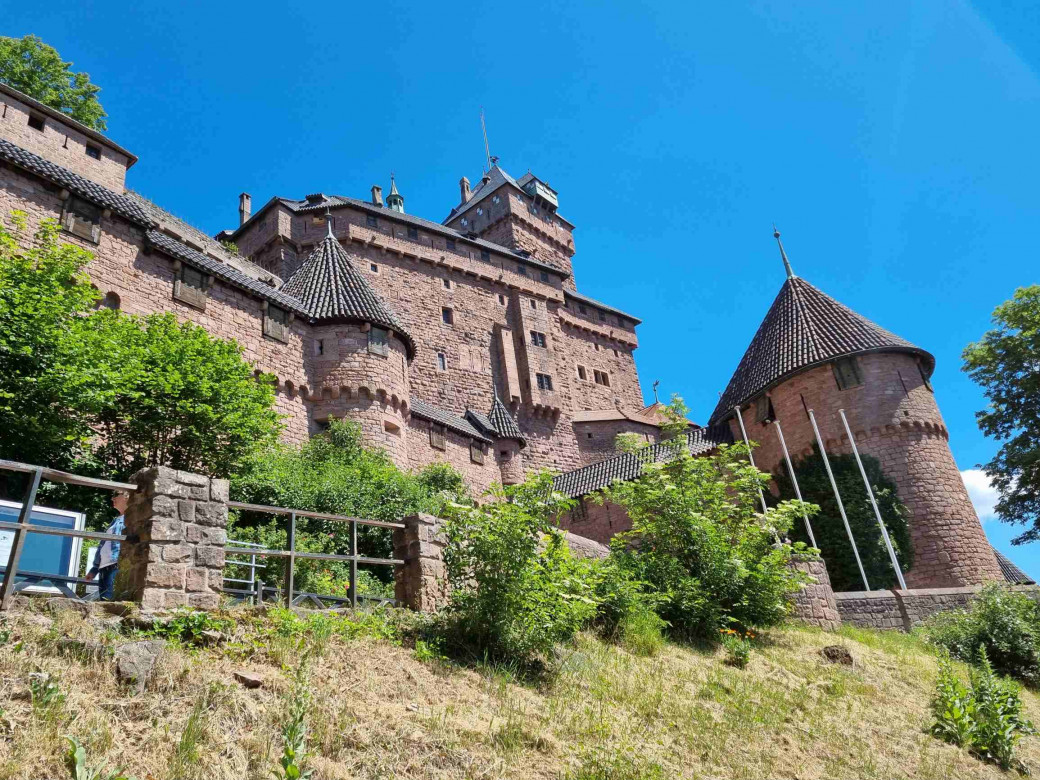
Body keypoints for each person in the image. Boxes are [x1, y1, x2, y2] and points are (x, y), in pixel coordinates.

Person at [85, 491, 127, 600]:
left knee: (110, 600)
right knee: (104, 600)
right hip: (104, 566)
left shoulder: (130, 518)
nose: (112, 498)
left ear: (126, 497)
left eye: (116, 495)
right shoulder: (115, 520)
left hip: (115, 564)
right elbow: (103, 545)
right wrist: (94, 569)